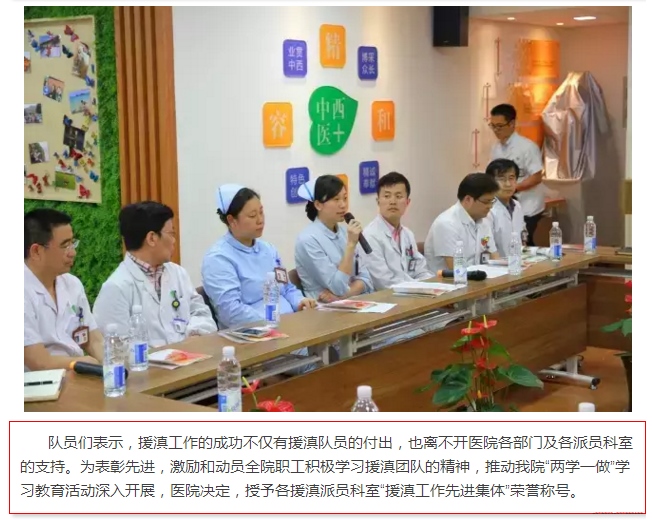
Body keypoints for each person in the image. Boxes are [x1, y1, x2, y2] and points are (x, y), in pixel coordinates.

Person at [93, 201, 216, 345]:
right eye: (171, 234)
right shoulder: (116, 288)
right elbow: (117, 347)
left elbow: (200, 312)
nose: (174, 241)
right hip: (149, 359)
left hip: (190, 355)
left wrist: (195, 334)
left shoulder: (178, 273)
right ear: (152, 238)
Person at [202, 184, 317, 330]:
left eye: (261, 212)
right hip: (254, 333)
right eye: (252, 215)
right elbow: (231, 312)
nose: (260, 220)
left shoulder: (269, 250)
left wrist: (300, 301)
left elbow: (286, 288)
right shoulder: (218, 259)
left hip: (288, 326)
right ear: (231, 220)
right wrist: (271, 324)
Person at [24, 209, 103, 371]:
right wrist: (83, 363)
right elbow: (39, 362)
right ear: (36, 251)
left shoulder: (72, 284)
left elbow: (94, 340)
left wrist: (111, 365)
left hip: (77, 375)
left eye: (72, 243)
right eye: (65, 246)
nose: (73, 252)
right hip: (38, 383)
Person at [295, 175, 374, 301]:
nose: (343, 205)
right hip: (322, 308)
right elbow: (338, 287)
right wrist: (350, 245)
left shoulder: (344, 232)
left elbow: (366, 279)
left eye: (345, 198)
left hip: (351, 302)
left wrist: (344, 295)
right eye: (336, 199)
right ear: (318, 205)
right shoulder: (308, 239)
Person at [362, 171, 433, 290]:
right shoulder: (370, 236)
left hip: (414, 294)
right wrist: (420, 287)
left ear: (407, 202)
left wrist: (433, 285)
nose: (393, 202)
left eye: (398, 196)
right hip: (387, 298)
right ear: (378, 201)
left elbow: (421, 271)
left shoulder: (408, 234)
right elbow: (384, 282)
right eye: (387, 196)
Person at [489, 103, 545, 246]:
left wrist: (512, 188)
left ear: (512, 123)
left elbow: (536, 177)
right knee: (508, 242)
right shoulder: (496, 148)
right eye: (493, 126)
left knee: (523, 241)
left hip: (528, 205)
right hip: (507, 204)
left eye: (499, 126)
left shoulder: (527, 147)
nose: (496, 130)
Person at [424, 173, 500, 272]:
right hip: (451, 280)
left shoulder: (483, 221)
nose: (490, 206)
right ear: (468, 199)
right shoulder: (446, 224)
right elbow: (456, 270)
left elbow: (494, 257)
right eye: (486, 202)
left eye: (492, 201)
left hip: (479, 278)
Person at [484, 158, 526, 257]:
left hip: (518, 260)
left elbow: (522, 236)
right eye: (501, 179)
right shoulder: (487, 209)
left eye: (511, 178)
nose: (508, 184)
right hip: (496, 263)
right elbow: (486, 244)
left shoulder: (517, 205)